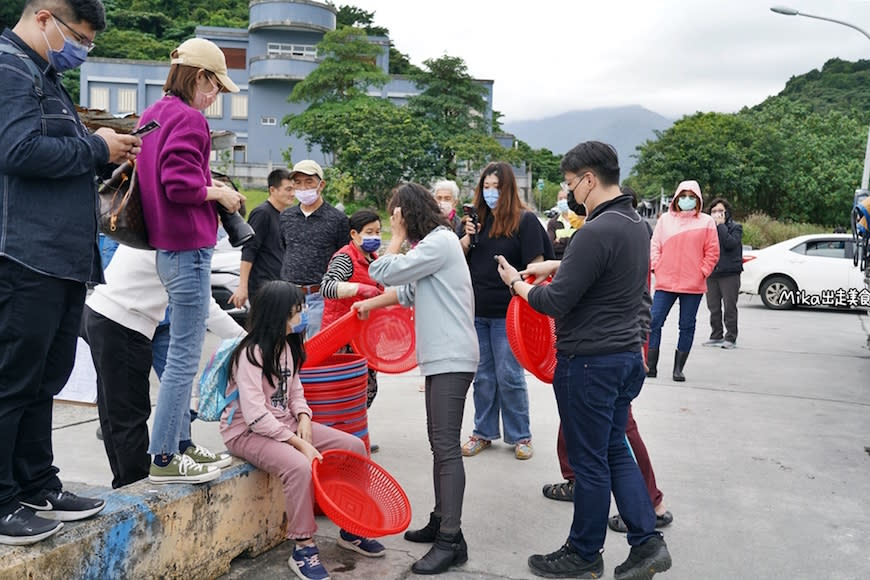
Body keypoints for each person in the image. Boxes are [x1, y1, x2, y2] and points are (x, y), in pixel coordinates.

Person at [0, 0, 143, 545]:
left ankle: (37, 483)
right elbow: (16, 150)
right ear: (43, 17)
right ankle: (2, 497)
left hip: (59, 258)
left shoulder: (42, 77)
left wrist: (106, 156)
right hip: (24, 254)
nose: (81, 48)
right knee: (13, 381)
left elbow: (57, 152)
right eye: (78, 36)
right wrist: (95, 146)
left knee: (45, 379)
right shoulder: (9, 68)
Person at [496, 141, 671, 580]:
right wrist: (554, 262)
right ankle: (647, 543)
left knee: (590, 463)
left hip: (590, 362)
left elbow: (555, 301)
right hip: (626, 357)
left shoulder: (595, 230)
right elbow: (608, 275)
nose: (570, 191)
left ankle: (584, 552)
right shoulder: (633, 223)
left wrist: (517, 283)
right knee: (615, 451)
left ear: (589, 179)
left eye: (571, 183)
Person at [352, 183, 479, 575]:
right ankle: (443, 521)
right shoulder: (434, 248)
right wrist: (368, 305)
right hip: (443, 358)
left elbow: (382, 268)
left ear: (406, 215)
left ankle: (450, 541)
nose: (392, 223)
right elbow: (405, 291)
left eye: (395, 216)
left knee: (445, 448)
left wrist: (396, 237)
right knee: (439, 445)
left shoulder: (439, 243)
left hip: (452, 357)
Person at [221, 280, 385, 580]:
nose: (303, 315)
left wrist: (305, 419)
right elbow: (256, 416)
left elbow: (295, 391)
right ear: (278, 315)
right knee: (299, 467)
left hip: (285, 424)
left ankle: (351, 529)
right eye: (297, 311)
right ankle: (303, 547)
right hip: (246, 432)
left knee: (354, 447)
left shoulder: (288, 346)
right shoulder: (251, 354)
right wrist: (299, 444)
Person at [137, 37, 245, 483]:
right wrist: (219, 191)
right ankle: (164, 456)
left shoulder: (154, 113)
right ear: (199, 77)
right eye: (216, 85)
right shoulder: (189, 118)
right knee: (183, 358)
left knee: (181, 354)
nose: (216, 95)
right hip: (188, 249)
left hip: (167, 248)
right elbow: (179, 186)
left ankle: (180, 445)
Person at [81, 244, 244, 489]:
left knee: (115, 411)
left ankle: (133, 478)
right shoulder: (179, 238)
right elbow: (202, 305)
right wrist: (247, 340)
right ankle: (136, 484)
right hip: (121, 322)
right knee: (127, 415)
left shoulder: (162, 227)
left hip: (106, 315)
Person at [459, 162, 554, 460]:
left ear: (509, 188)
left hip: (509, 314)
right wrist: (466, 236)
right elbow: (454, 260)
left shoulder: (525, 222)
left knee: (509, 375)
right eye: (485, 187)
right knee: (483, 376)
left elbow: (537, 268)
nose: (490, 193)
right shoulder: (472, 222)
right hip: (476, 311)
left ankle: (520, 435)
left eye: (496, 187)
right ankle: (483, 432)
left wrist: (517, 283)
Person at [647, 180, 720, 382]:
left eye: (691, 196)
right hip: (665, 282)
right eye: (683, 195)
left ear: (697, 199)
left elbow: (712, 252)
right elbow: (655, 245)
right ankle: (650, 366)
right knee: (654, 321)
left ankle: (678, 369)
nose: (686, 199)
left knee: (686, 326)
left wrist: (702, 272)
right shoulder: (665, 220)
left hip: (693, 285)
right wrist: (656, 266)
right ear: (676, 198)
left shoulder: (706, 222)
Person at [320, 208, 383, 422]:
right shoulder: (345, 258)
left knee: (368, 388)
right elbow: (327, 287)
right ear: (354, 234)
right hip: (341, 335)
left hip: (363, 336)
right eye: (369, 232)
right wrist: (359, 289)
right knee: (343, 388)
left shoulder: (374, 259)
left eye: (377, 232)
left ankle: (353, 430)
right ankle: (343, 432)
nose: (374, 237)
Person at [279, 159, 350, 338]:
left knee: (315, 353)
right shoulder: (286, 216)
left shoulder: (337, 219)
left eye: (309, 181)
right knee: (286, 352)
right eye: (298, 182)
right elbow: (283, 249)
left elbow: (345, 257)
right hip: (288, 295)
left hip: (320, 297)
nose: (303, 187)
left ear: (321, 184)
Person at [229, 168, 295, 309]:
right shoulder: (262, 213)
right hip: (263, 288)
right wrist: (242, 287)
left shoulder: (284, 215)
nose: (292, 194)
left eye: (294, 189)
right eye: (288, 189)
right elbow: (249, 250)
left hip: (280, 286)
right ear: (273, 190)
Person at [703, 197, 743, 349]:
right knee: (713, 306)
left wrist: (720, 226)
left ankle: (731, 337)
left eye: (720, 211)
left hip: (730, 274)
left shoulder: (735, 228)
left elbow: (730, 243)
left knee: (729, 307)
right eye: (714, 211)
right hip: (712, 273)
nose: (717, 214)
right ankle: (716, 335)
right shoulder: (708, 229)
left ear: (727, 213)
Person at [547, 188, 586, 259]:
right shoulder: (553, 222)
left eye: (565, 198)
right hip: (558, 261)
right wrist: (572, 241)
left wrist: (561, 240)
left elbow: (583, 244)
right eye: (560, 199)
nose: (563, 201)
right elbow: (550, 246)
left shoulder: (579, 221)